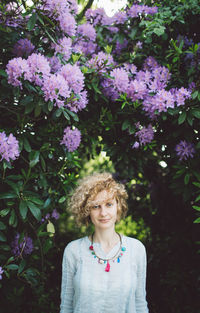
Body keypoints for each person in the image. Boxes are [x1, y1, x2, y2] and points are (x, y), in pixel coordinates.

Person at [60, 172, 149, 313]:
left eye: (109, 204)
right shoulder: (73, 251)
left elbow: (140, 304)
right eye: (96, 206)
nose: (103, 213)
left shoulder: (136, 249)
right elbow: (66, 306)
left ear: (118, 206)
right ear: (87, 210)